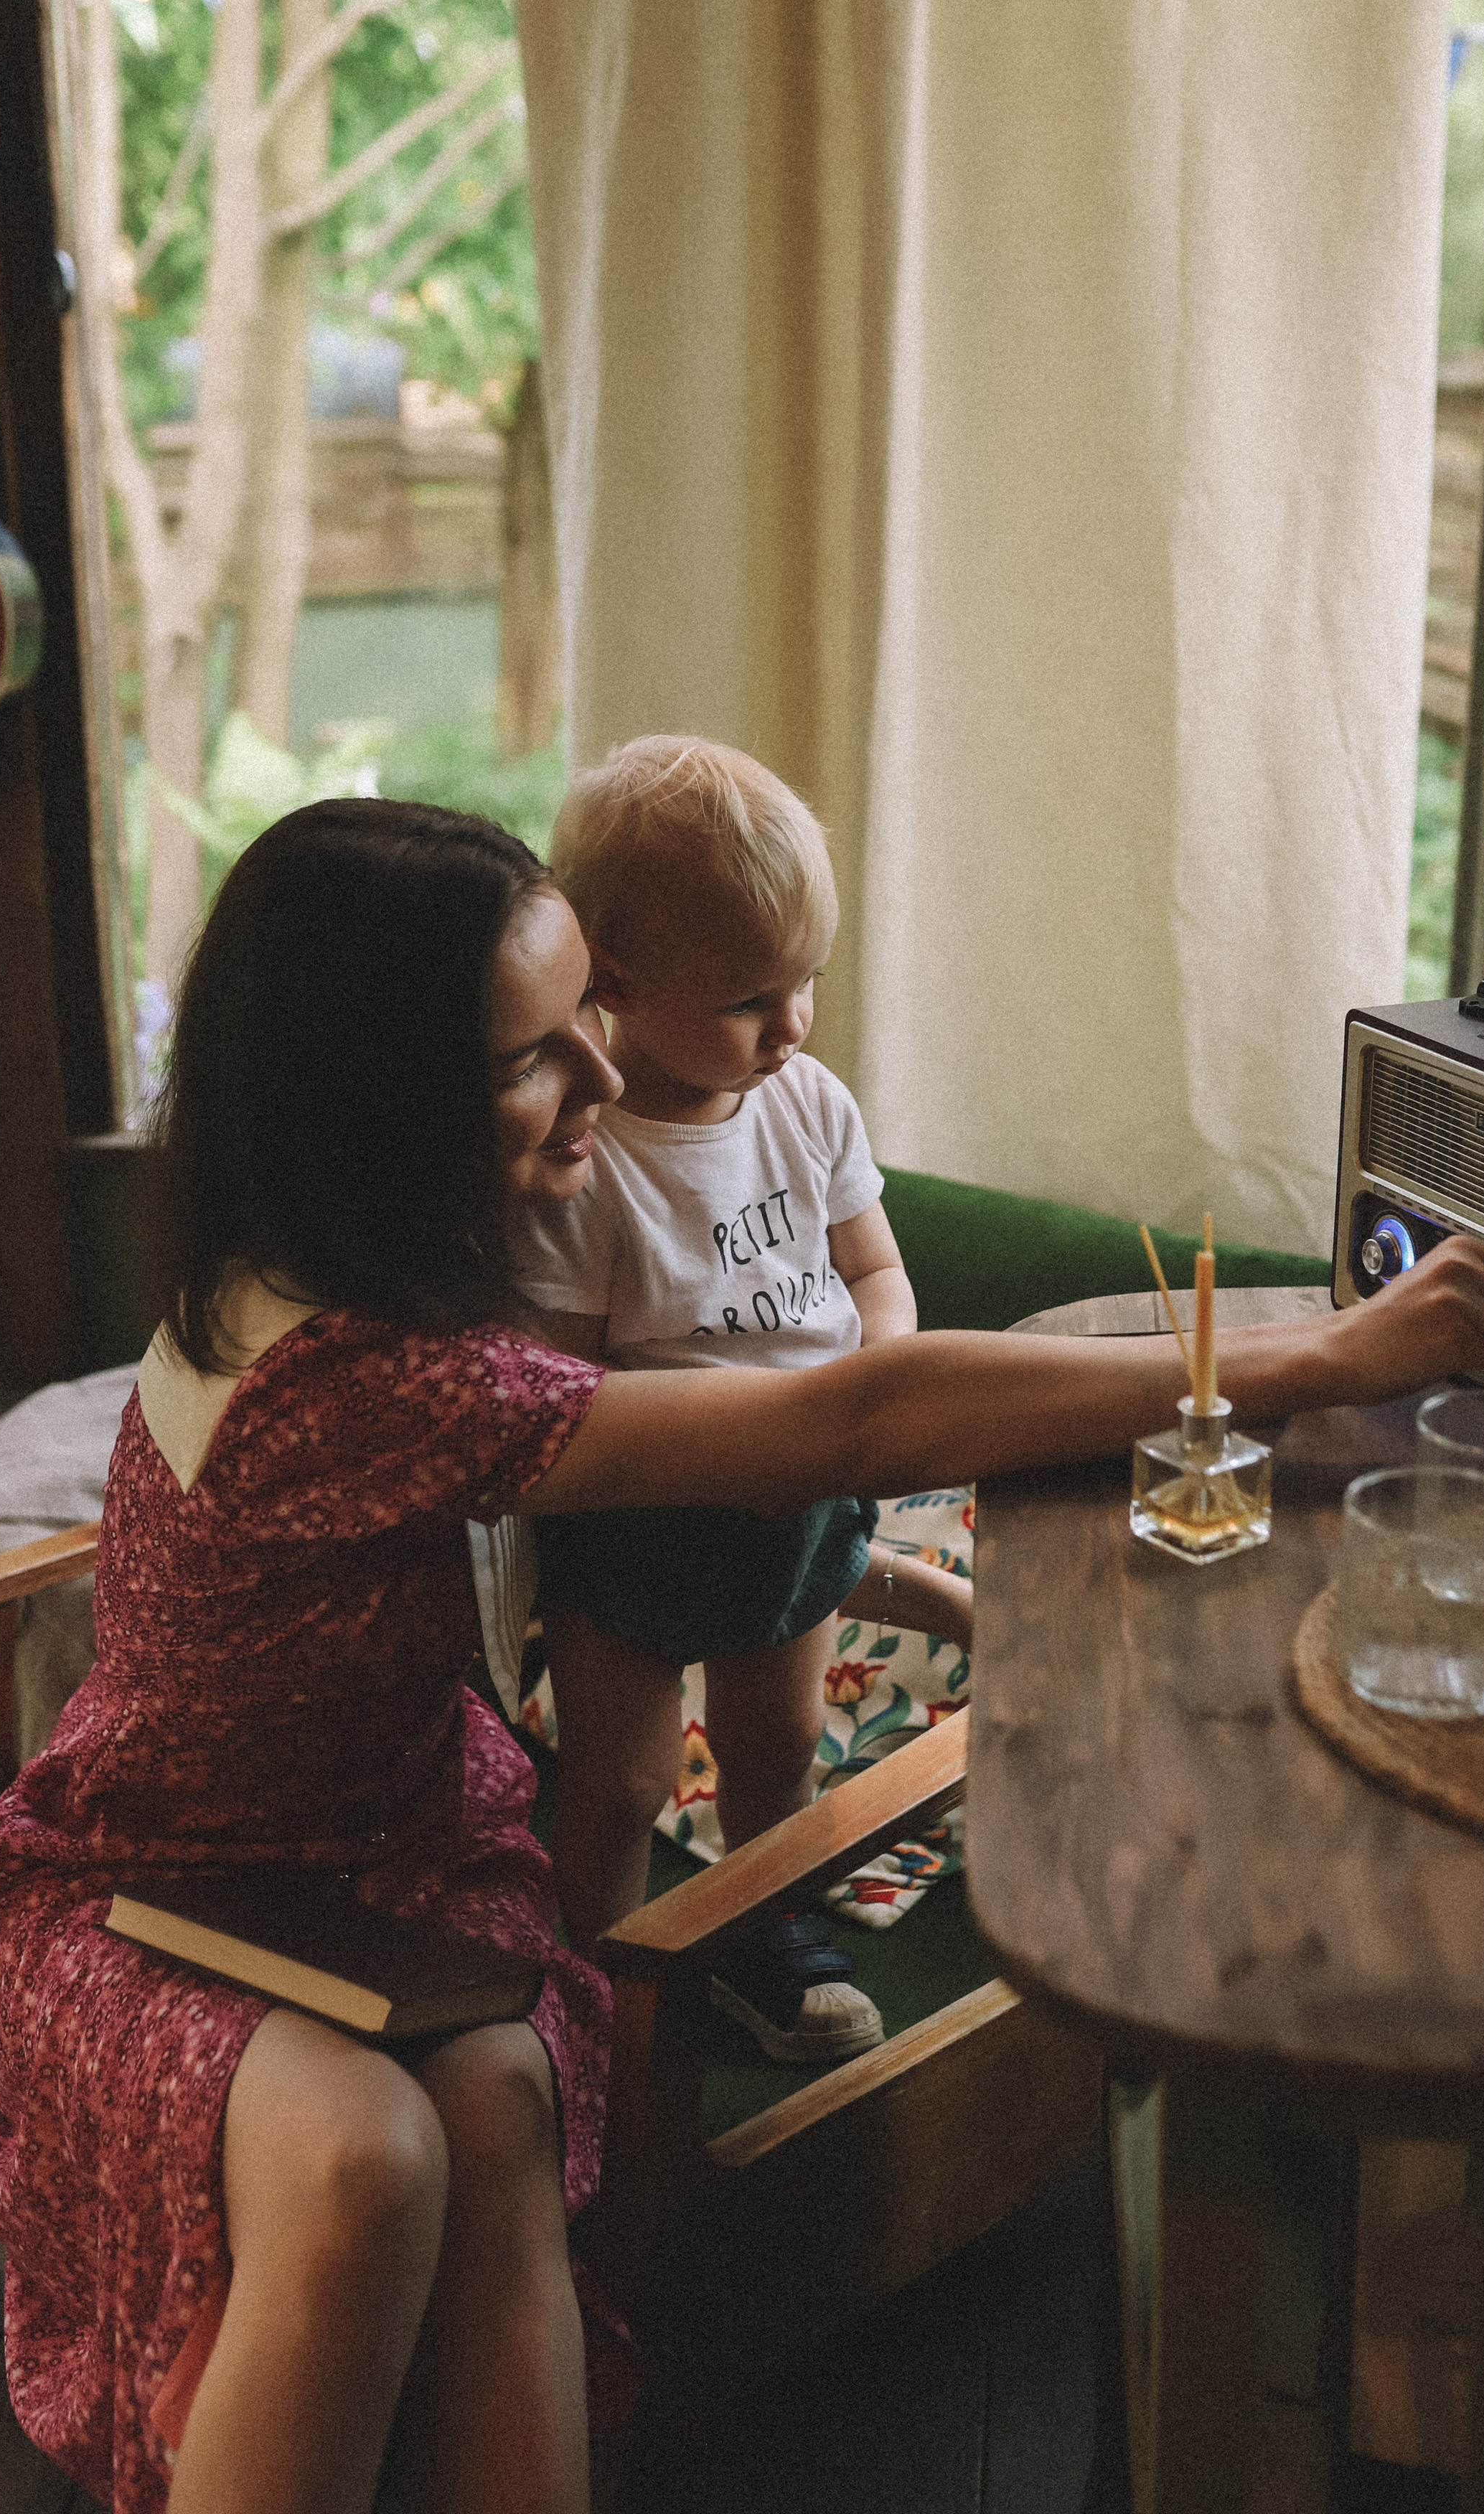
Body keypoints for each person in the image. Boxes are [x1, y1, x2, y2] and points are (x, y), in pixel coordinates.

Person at [0, 800, 1484, 2514]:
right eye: (538, 1057)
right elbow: (850, 1416)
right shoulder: (365, 1384)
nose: (605, 1083)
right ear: (383, 1110)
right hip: (158, 1888)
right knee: (367, 2156)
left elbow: (832, 1397)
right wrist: (1319, 1356)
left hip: (392, 1862)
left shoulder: (349, 1276)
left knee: (499, 2095)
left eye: (594, 1013)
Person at [511, 737, 972, 2061]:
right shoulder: (590, 1161)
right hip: (649, 1524)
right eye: (746, 1000)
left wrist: (870, 1381)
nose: (792, 1027)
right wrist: (725, 1451)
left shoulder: (807, 1104)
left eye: (806, 982)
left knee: (781, 1748)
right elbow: (564, 1395)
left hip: (810, 1496)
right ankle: (581, 1999)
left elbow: (876, 1270)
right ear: (612, 978)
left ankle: (770, 1936)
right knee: (622, 1783)